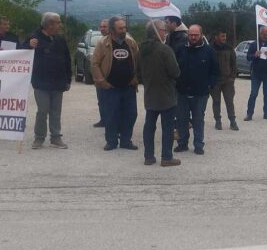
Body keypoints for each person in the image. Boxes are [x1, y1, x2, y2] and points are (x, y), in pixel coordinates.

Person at [136, 19, 182, 167]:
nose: (165, 33)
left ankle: (148, 156)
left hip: (150, 94)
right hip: (167, 94)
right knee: (168, 127)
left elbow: (137, 73)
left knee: (149, 126)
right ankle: (167, 157)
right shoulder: (165, 50)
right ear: (156, 33)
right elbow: (175, 72)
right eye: (164, 30)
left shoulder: (141, 50)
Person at [91, 15, 139, 151]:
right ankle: (111, 141)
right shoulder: (102, 44)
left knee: (131, 114)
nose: (124, 30)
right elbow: (95, 64)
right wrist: (102, 81)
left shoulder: (131, 42)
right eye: (120, 28)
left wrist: (135, 77)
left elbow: (137, 60)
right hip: (111, 87)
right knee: (111, 114)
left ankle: (125, 140)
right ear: (112, 30)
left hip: (128, 86)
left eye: (124, 28)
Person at [26, 12, 71, 150]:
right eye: (58, 22)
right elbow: (21, 53)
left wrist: (68, 79)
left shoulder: (60, 39)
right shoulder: (34, 38)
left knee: (56, 111)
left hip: (58, 82)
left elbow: (67, 60)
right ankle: (39, 138)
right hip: (41, 82)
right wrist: (28, 46)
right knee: (43, 110)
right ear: (49, 24)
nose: (59, 25)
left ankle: (56, 138)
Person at [173, 24, 219, 155]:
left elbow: (215, 71)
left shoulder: (209, 51)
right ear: (188, 34)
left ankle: (198, 145)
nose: (193, 37)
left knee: (198, 119)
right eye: (191, 35)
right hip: (181, 92)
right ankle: (182, 144)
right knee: (181, 119)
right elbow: (173, 68)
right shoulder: (179, 49)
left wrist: (210, 85)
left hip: (201, 93)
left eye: (196, 35)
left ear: (201, 35)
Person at [245, 26, 267, 121]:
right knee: (253, 93)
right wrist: (254, 55)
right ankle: (249, 114)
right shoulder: (254, 44)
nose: (265, 36)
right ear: (260, 34)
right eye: (264, 34)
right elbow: (248, 57)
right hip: (256, 73)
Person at [210, 30, 239, 131]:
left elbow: (234, 64)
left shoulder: (229, 48)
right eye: (222, 36)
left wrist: (232, 77)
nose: (224, 38)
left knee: (229, 101)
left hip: (228, 80)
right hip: (215, 81)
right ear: (216, 37)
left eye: (225, 36)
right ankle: (218, 121)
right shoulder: (210, 48)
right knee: (216, 101)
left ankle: (232, 121)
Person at [93, 18, 112, 128]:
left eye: (105, 26)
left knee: (112, 101)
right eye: (101, 27)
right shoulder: (100, 42)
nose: (102, 29)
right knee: (101, 100)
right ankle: (104, 120)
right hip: (100, 77)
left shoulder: (115, 41)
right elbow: (95, 62)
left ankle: (112, 121)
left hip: (111, 77)